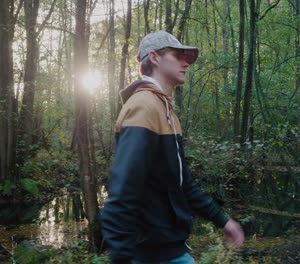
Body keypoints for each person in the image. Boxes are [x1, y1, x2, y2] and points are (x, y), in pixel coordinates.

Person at [100, 31, 245, 264]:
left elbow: (182, 184)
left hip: (172, 251)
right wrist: (121, 257)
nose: (186, 63)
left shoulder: (166, 112)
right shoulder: (144, 107)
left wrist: (223, 221)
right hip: (148, 255)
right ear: (155, 57)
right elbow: (121, 193)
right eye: (178, 56)